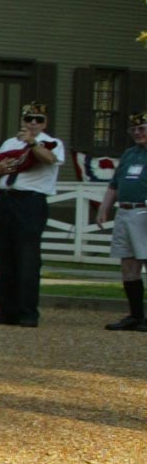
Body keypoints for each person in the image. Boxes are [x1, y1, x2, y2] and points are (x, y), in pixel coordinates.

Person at [0, 102, 63, 328]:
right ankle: (6, 311)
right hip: (5, 198)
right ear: (22, 120)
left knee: (27, 258)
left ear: (45, 122)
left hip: (30, 201)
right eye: (29, 118)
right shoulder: (10, 143)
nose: (32, 123)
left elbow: (48, 159)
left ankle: (28, 312)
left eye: (38, 119)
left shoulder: (52, 143)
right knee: (3, 255)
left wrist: (32, 142)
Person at [98, 110, 147, 332]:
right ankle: (135, 315)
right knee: (128, 266)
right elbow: (114, 185)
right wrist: (104, 207)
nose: (137, 133)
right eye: (134, 129)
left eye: (142, 128)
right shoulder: (129, 154)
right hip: (125, 212)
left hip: (145, 211)